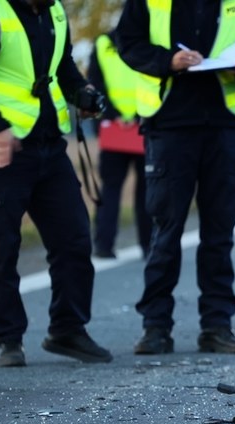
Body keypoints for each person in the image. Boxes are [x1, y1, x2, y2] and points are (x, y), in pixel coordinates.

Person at [0, 0, 113, 368]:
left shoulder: (53, 11)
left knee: (74, 238)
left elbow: (62, 65)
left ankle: (67, 330)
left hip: (49, 146)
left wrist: (82, 92)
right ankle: (7, 338)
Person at [116, 0, 235, 355]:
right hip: (171, 123)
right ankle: (156, 326)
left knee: (219, 230)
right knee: (166, 229)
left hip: (225, 124)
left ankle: (217, 326)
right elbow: (128, 41)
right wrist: (167, 61)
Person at [88, 29, 152, 259]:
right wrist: (135, 115)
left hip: (113, 126)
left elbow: (94, 83)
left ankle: (104, 246)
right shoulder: (149, 38)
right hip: (144, 123)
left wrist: (113, 114)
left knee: (111, 189)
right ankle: (148, 246)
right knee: (146, 189)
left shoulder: (103, 42)